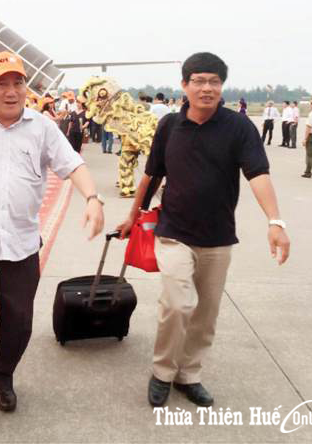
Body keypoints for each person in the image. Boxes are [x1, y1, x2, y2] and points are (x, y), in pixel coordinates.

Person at [0, 51, 104, 439]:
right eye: (1, 84)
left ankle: (2, 376)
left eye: (18, 83)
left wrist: (93, 199)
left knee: (19, 322)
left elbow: (73, 165)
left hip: (22, 244)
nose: (11, 91)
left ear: (26, 87)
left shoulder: (43, 128)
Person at [117, 52, 290, 409]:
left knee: (206, 314)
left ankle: (189, 374)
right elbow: (151, 175)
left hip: (218, 237)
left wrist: (275, 221)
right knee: (178, 304)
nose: (207, 88)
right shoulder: (169, 126)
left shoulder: (238, 127)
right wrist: (133, 215)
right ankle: (163, 372)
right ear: (184, 85)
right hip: (173, 232)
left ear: (222, 86)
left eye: (214, 81)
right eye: (199, 81)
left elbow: (257, 174)